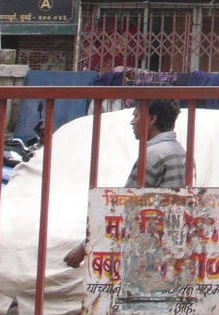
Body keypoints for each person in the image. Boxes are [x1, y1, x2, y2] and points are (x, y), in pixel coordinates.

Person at [64, 100, 187, 267]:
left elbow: (124, 206)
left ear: (152, 119)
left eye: (136, 116)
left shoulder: (152, 155)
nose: (132, 122)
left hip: (149, 248)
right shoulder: (180, 151)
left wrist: (83, 247)